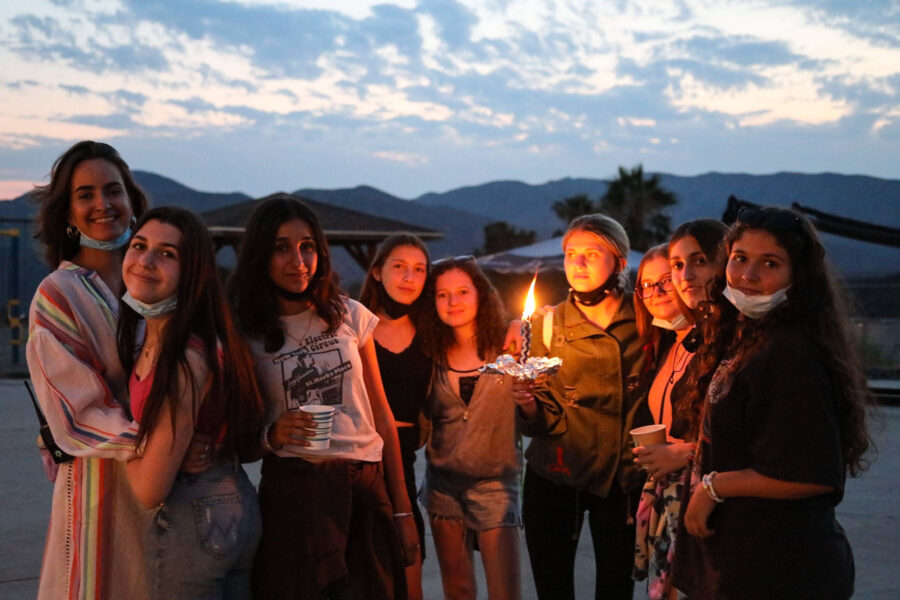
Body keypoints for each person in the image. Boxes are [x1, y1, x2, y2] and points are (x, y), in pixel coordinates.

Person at [228, 194, 418, 599]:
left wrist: (403, 510)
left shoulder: (349, 313)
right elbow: (238, 438)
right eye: (281, 248)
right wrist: (272, 435)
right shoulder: (246, 331)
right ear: (261, 254)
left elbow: (381, 417)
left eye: (307, 246)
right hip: (296, 493)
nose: (298, 260)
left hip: (365, 487)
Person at [682, 207, 870, 599]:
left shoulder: (792, 353)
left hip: (783, 569)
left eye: (770, 263)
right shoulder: (749, 336)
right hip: (745, 563)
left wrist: (713, 488)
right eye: (740, 259)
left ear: (797, 277)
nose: (748, 276)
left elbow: (811, 474)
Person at [117, 206, 264, 598]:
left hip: (192, 516)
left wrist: (114, 443)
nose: (145, 261)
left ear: (193, 271)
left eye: (168, 253)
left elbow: (150, 488)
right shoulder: (176, 337)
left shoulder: (183, 357)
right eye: (139, 246)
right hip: (231, 504)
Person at [26, 140, 149, 600]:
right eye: (86, 194)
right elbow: (78, 415)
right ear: (68, 212)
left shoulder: (157, 283)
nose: (103, 204)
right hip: (103, 489)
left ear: (132, 202)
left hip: (180, 488)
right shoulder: (58, 296)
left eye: (113, 190)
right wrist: (164, 445)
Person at [513, 214, 649, 600]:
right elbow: (537, 423)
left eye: (593, 253)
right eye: (572, 253)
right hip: (555, 477)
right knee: (552, 589)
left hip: (623, 482)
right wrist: (525, 406)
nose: (579, 263)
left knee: (615, 590)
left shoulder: (645, 321)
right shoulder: (545, 325)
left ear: (619, 262)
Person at [419, 256, 523, 600]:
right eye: (442, 294)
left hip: (495, 484)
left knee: (504, 592)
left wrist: (521, 323)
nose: (453, 302)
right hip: (442, 486)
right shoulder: (431, 354)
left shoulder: (509, 349)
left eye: (463, 291)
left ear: (481, 294)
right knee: (458, 590)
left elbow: (546, 313)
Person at [359, 234, 432, 600]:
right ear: (376, 272)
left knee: (410, 576)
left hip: (405, 459)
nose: (409, 277)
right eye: (399, 266)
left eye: (419, 269)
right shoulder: (353, 328)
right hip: (362, 467)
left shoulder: (433, 333)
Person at [629, 244, 696, 600]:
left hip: (698, 501)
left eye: (665, 282)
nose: (654, 293)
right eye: (646, 285)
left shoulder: (714, 346)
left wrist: (685, 453)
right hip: (664, 500)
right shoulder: (665, 345)